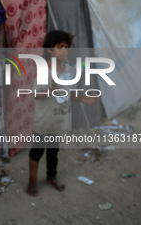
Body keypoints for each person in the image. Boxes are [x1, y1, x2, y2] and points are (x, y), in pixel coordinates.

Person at [27, 30, 98, 197]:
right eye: (60, 47)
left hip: (59, 120)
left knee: (54, 151)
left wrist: (83, 98)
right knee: (37, 151)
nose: (64, 51)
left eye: (66, 47)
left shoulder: (69, 70)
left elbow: (68, 93)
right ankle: (32, 180)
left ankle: (51, 177)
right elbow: (36, 94)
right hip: (44, 121)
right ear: (50, 50)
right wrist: (51, 90)